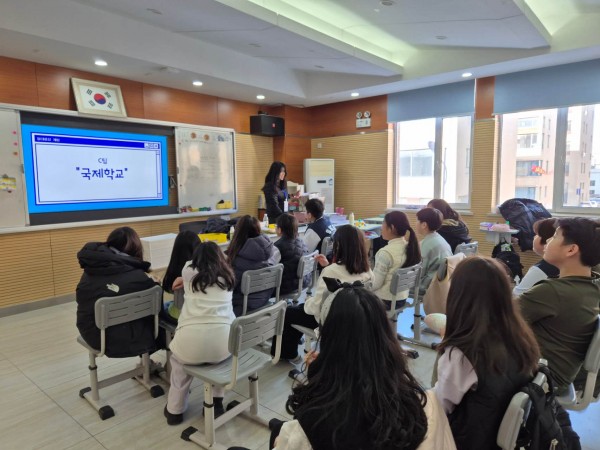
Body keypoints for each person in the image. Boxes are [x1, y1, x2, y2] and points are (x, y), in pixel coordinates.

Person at [271, 285, 456, 450]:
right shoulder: (417, 405)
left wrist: (319, 377)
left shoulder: (309, 425)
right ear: (385, 337)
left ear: (329, 341)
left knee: (277, 429)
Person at [434, 256, 541, 450]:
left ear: (459, 296)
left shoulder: (463, 354)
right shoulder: (521, 337)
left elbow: (440, 407)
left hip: (466, 440)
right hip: (495, 433)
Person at [518, 217, 600, 392]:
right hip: (565, 373)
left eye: (555, 236)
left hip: (543, 377)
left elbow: (500, 317)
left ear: (571, 249)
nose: (548, 240)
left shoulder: (553, 291)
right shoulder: (594, 283)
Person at [272, 224, 373, 361]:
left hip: (330, 320)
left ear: (338, 246)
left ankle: (287, 354)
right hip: (356, 318)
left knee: (288, 312)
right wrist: (328, 266)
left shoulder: (331, 272)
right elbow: (345, 278)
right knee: (298, 310)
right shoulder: (367, 270)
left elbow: (316, 308)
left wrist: (307, 302)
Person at [164, 242, 236, 425]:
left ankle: (174, 411)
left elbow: (190, 269)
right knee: (220, 361)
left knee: (179, 365)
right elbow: (222, 262)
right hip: (223, 344)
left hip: (189, 342)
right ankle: (216, 404)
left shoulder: (188, 271)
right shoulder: (228, 276)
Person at [76, 226, 161, 357]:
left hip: (96, 336)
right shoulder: (140, 278)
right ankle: (149, 364)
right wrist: (155, 283)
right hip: (137, 336)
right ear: (135, 247)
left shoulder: (90, 270)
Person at [227, 215, 279, 316]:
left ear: (238, 232)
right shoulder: (272, 253)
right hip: (264, 299)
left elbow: (229, 287)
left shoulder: (236, 259)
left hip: (241, 306)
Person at [370, 211, 421, 308]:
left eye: (383, 223)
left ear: (392, 228)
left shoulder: (385, 253)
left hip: (384, 301)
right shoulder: (410, 247)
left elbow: (375, 284)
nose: (381, 228)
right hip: (401, 298)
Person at [161, 230, 201, 323]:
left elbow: (168, 288)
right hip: (200, 314)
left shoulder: (175, 269)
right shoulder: (204, 269)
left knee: (166, 305)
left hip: (180, 315)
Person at [512, 218, 559, 296]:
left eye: (537, 234)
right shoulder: (561, 264)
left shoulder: (540, 270)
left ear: (548, 240)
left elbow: (517, 295)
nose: (534, 237)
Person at [416, 208, 453, 294]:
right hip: (441, 282)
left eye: (417, 220)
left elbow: (419, 273)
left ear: (424, 225)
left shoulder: (425, 245)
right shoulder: (440, 239)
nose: (415, 223)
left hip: (427, 285)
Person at [275, 213, 310, 296]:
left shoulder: (278, 246)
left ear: (279, 229)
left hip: (287, 287)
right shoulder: (302, 242)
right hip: (305, 281)